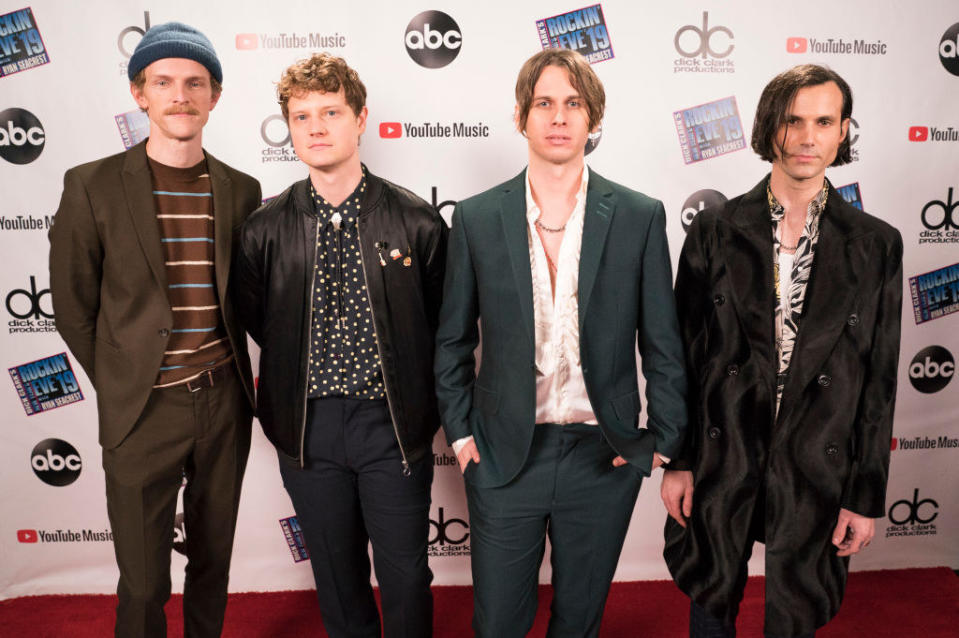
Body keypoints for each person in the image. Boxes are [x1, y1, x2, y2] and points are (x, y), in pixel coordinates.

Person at [434, 48, 687, 637]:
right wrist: (464, 434)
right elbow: (450, 340)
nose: (558, 116)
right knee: (498, 623)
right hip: (502, 454)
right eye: (544, 103)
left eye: (573, 103)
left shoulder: (638, 215)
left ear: (592, 118)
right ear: (521, 116)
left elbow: (663, 343)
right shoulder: (474, 218)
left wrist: (659, 441)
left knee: (578, 622)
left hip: (605, 455)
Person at [662, 64, 903, 638]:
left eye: (824, 121)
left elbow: (879, 379)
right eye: (793, 120)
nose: (806, 137)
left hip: (816, 464)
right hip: (725, 453)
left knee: (794, 612)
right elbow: (684, 358)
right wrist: (680, 459)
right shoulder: (715, 231)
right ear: (771, 126)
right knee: (712, 600)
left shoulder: (876, 245)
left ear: (843, 130)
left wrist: (864, 495)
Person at [48, 22, 261, 638]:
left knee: (213, 563)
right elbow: (72, 307)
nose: (180, 95)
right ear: (140, 93)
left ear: (214, 97)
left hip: (224, 403)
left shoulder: (242, 191)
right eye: (163, 82)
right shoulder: (90, 185)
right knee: (142, 582)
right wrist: (124, 382)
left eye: (195, 83)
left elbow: (249, 303)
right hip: (142, 410)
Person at [231, 53, 447, 638]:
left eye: (331, 112)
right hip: (308, 427)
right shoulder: (263, 228)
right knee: (336, 575)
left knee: (404, 575)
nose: (317, 127)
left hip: (392, 424)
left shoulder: (417, 222)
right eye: (302, 117)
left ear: (361, 119)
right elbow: (259, 322)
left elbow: (443, 323)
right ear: (290, 129)